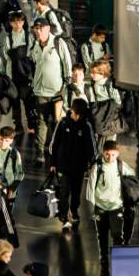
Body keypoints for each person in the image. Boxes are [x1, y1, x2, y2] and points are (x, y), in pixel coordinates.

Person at [49, 99, 97, 231]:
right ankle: (64, 216)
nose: (75, 116)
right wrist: (52, 162)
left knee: (76, 191)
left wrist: (92, 162)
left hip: (79, 167)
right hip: (63, 165)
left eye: (78, 114)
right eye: (74, 113)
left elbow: (91, 146)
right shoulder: (63, 123)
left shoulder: (86, 126)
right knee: (64, 191)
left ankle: (74, 210)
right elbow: (54, 143)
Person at [27, 18, 74, 148]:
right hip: (40, 91)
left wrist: (67, 83)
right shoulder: (34, 45)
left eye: (40, 28)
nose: (38, 31)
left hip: (57, 91)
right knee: (41, 121)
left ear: (48, 28)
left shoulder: (58, 43)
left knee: (57, 121)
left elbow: (67, 63)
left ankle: (57, 149)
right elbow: (32, 64)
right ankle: (40, 152)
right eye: (36, 29)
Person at [90, 139, 136, 262]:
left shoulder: (120, 165)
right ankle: (104, 258)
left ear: (117, 154)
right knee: (102, 236)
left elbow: (132, 175)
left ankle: (118, 258)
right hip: (100, 207)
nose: (110, 157)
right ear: (103, 153)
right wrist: (92, 207)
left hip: (116, 206)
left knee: (117, 234)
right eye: (107, 154)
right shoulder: (97, 167)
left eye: (113, 155)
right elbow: (90, 188)